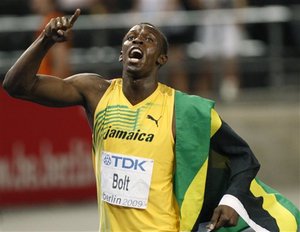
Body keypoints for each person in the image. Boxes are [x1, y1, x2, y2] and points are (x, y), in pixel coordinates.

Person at [2, 9, 299, 232]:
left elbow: (244, 157)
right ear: (121, 54)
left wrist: (230, 201)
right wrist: (45, 40)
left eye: (148, 40)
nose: (138, 41)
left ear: (161, 59)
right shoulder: (95, 92)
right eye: (131, 37)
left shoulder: (185, 110)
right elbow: (17, 86)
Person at [30, 0, 72, 78]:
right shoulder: (46, 22)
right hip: (44, 82)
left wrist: (57, 87)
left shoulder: (55, 23)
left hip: (50, 83)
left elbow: (61, 61)